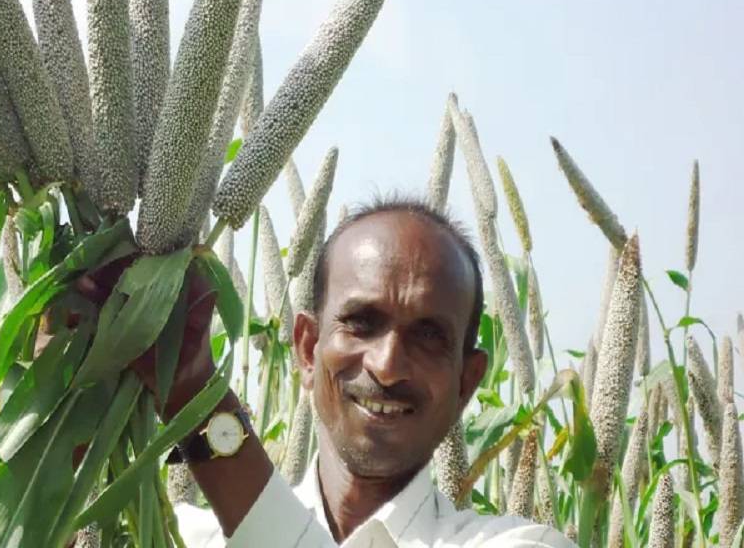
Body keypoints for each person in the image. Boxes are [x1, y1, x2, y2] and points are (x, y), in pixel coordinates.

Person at [155, 197, 575, 547]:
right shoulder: (180, 536)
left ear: (466, 382)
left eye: (428, 336)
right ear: (306, 349)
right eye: (362, 322)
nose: (388, 365)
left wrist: (197, 398)